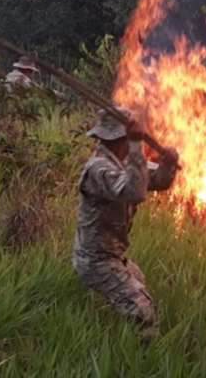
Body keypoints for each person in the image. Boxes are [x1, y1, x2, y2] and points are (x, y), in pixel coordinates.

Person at [72, 107, 179, 342]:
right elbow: (133, 190)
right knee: (143, 312)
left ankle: (112, 331)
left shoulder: (122, 164)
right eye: (126, 140)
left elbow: (156, 181)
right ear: (119, 140)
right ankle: (144, 356)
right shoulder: (97, 169)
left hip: (114, 257)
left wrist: (168, 164)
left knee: (138, 283)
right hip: (95, 260)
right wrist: (136, 145)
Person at [0, 56, 40, 124]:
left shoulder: (8, 76)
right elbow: (38, 90)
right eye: (31, 71)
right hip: (4, 113)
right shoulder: (23, 80)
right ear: (27, 70)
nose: (31, 74)